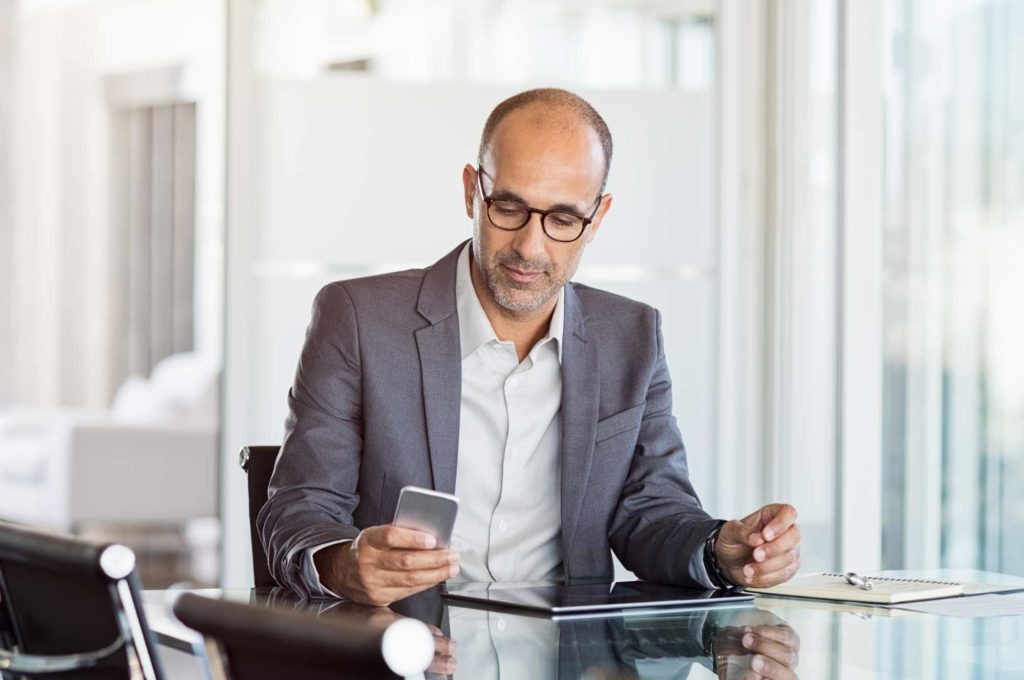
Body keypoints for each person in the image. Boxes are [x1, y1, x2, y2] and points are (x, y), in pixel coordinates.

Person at [258, 88, 801, 606]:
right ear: (472, 190)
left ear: (598, 218)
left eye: (563, 219)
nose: (529, 247)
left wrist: (718, 549)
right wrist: (341, 563)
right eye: (509, 208)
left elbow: (652, 513)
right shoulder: (358, 320)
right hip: (406, 648)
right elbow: (299, 508)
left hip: (568, 655)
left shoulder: (631, 337)